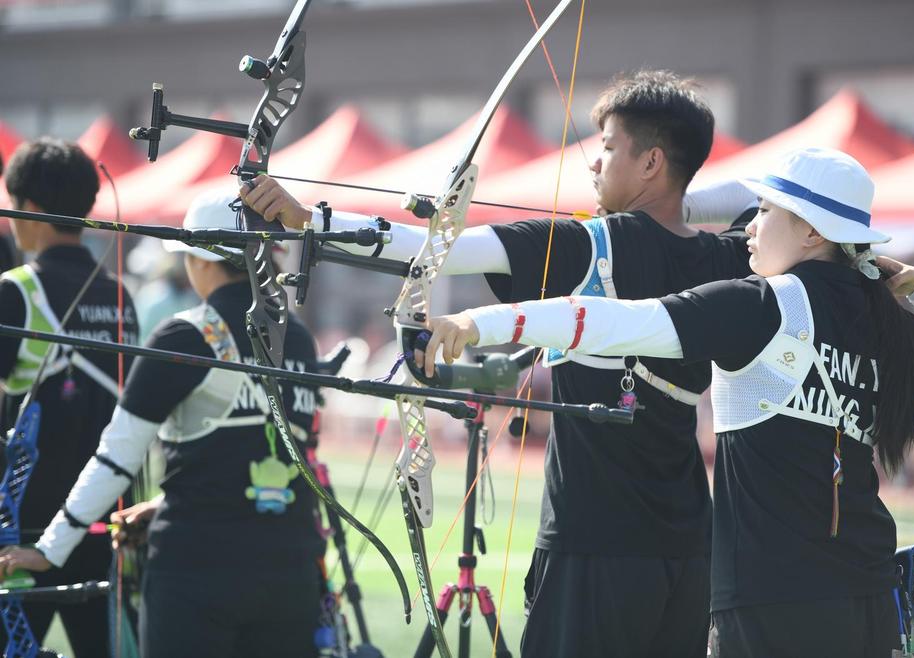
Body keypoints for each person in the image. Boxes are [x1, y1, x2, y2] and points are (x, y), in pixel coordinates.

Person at [241, 69, 758, 657]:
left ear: (651, 163)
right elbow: (758, 195)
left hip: (594, 543)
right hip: (691, 548)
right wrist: (680, 200)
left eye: (609, 148)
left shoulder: (590, 246)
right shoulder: (730, 257)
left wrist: (312, 220)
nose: (592, 164)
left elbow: (433, 250)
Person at [416, 147, 914, 657]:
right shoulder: (887, 322)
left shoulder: (760, 305)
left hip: (771, 605)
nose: (748, 226)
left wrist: (477, 320)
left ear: (813, 233)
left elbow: (611, 320)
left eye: (765, 212)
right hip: (872, 597)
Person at [0, 191, 325, 658]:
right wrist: (166, 499)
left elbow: (117, 456)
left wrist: (50, 549)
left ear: (201, 260)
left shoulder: (186, 333)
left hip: (197, 573)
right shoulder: (299, 337)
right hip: (291, 573)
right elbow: (278, 451)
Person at [0, 137, 139, 656]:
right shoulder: (121, 294)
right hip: (103, 527)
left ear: (31, 209)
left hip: (23, 530)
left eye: (12, 207)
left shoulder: (16, 290)